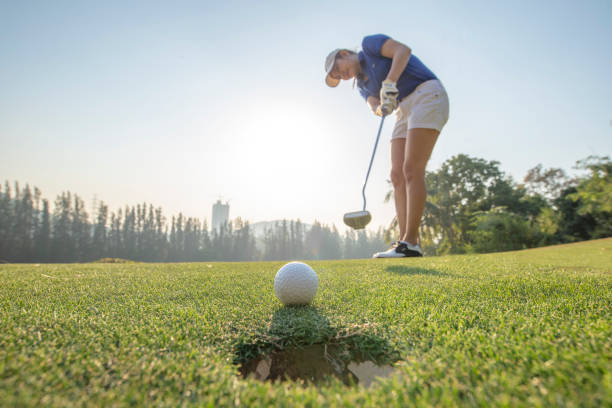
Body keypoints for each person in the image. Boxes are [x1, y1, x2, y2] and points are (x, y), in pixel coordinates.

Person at [325, 34, 449, 258]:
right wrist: (382, 108)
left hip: (426, 93)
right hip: (403, 108)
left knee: (412, 169)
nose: (341, 76)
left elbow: (403, 51)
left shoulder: (369, 45)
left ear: (344, 54)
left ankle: (410, 242)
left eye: (338, 70)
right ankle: (406, 243)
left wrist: (389, 82)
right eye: (337, 77)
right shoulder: (362, 85)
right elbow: (374, 104)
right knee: (396, 175)